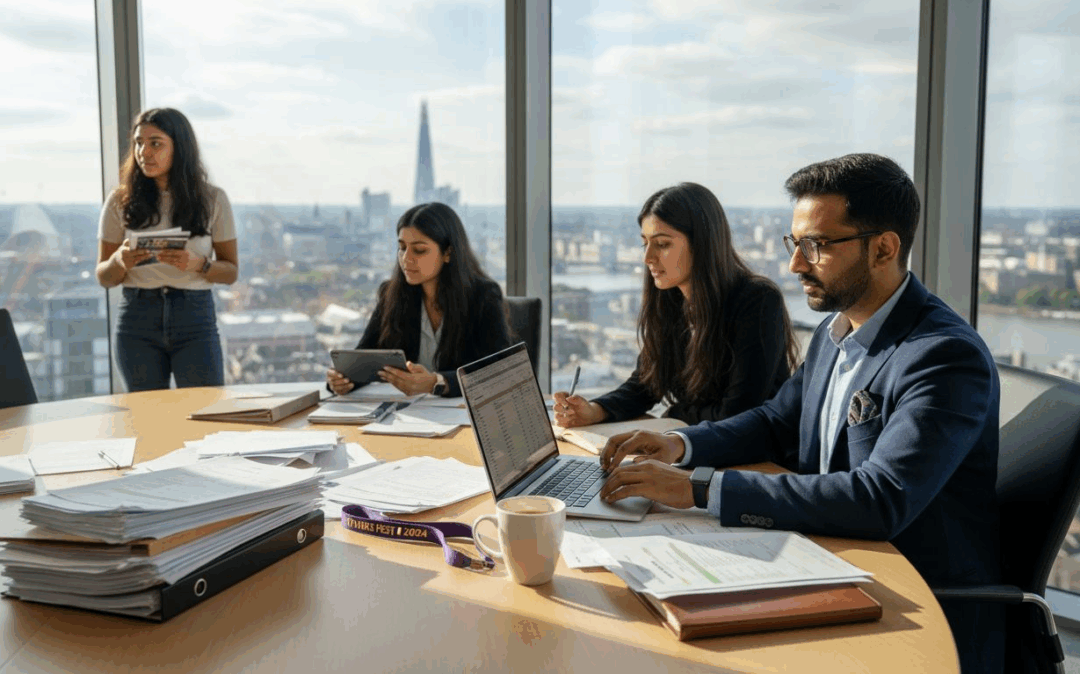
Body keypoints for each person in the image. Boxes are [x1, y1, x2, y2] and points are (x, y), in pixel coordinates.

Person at [597, 154, 1003, 673]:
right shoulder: (835, 336)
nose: (795, 264)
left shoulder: (943, 355)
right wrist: (682, 446)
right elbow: (774, 422)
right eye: (796, 244)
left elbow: (879, 499)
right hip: (825, 559)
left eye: (817, 246)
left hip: (912, 605)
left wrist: (698, 487)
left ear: (883, 248)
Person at [553, 182, 798, 428]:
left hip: (756, 459)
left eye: (662, 244)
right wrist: (594, 410)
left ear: (702, 243)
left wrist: (674, 415)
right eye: (645, 243)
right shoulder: (671, 298)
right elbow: (646, 383)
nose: (647, 258)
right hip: (697, 447)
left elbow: (738, 413)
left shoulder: (758, 301)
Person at [96, 107, 238, 392]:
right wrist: (119, 261)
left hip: (194, 318)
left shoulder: (213, 199)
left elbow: (231, 272)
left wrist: (200, 265)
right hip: (137, 319)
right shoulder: (119, 200)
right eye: (139, 143)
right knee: (147, 421)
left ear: (180, 147)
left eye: (155, 143)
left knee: (205, 416)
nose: (143, 152)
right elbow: (104, 277)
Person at [326, 202, 511, 398]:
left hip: (461, 416)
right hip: (406, 415)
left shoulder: (483, 296)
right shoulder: (391, 294)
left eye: (419, 250)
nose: (406, 258)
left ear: (447, 253)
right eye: (402, 248)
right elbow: (362, 360)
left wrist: (436, 382)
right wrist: (341, 381)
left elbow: (499, 371)